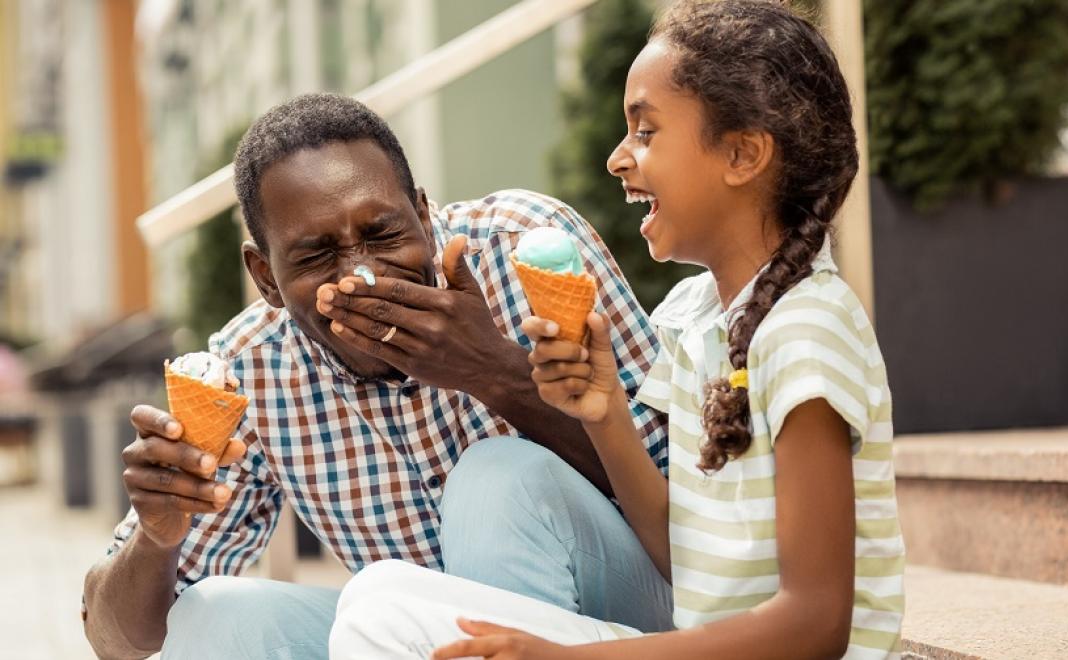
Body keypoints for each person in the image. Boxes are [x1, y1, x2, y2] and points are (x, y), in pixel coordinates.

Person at [329, 1, 905, 658]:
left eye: (646, 132)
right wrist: (604, 418)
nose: (617, 159)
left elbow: (815, 625)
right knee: (376, 595)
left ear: (742, 154)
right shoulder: (695, 319)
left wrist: (569, 657)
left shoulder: (807, 331)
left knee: (386, 625)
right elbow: (683, 560)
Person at [81, 93, 672, 660]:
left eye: (382, 233)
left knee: (496, 476)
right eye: (315, 256)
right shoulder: (249, 371)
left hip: (631, 622)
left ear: (422, 212)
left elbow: (693, 501)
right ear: (265, 278)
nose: (359, 276)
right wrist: (155, 539)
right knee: (220, 616)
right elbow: (118, 643)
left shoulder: (524, 249)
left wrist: (495, 375)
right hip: (404, 633)